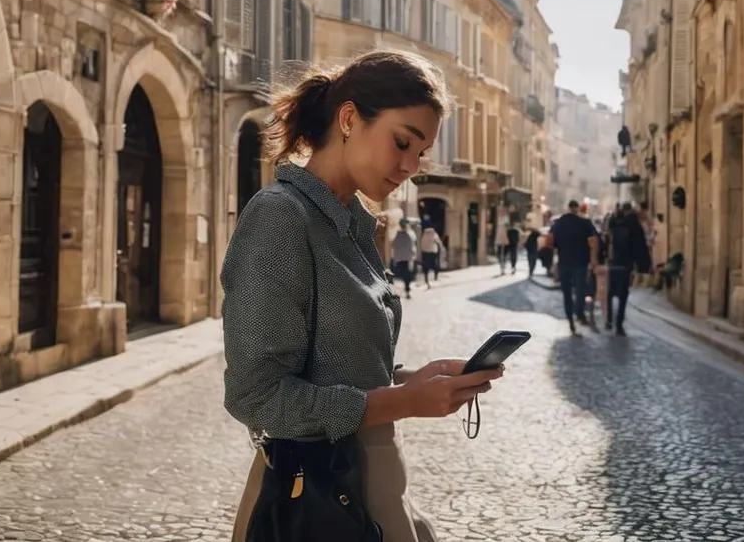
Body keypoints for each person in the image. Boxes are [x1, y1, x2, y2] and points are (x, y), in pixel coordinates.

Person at [222, 50, 505, 542]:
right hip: (317, 501)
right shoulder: (280, 217)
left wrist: (416, 379)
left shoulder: (351, 224)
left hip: (370, 489)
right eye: (403, 143)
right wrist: (403, 403)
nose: (410, 166)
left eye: (421, 154)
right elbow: (258, 397)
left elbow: (337, 369)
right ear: (349, 118)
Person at [548, 199, 599, 336]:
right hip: (581, 262)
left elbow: (549, 239)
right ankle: (579, 313)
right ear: (577, 209)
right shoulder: (584, 223)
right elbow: (594, 241)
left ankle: (571, 320)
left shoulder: (559, 223)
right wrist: (593, 259)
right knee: (580, 289)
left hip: (564, 262)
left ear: (568, 208)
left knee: (567, 293)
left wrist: (554, 257)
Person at [605, 202, 652, 335]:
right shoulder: (634, 224)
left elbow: (606, 240)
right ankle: (619, 324)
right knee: (623, 294)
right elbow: (640, 246)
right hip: (626, 263)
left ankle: (608, 320)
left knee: (610, 292)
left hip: (612, 262)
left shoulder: (612, 221)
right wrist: (644, 266)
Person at [391, 219, 417, 298]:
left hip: (400, 257)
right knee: (406, 272)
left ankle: (407, 286)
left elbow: (393, 245)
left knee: (403, 272)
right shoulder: (409, 234)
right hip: (406, 257)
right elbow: (411, 245)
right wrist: (412, 254)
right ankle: (407, 286)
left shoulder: (398, 235)